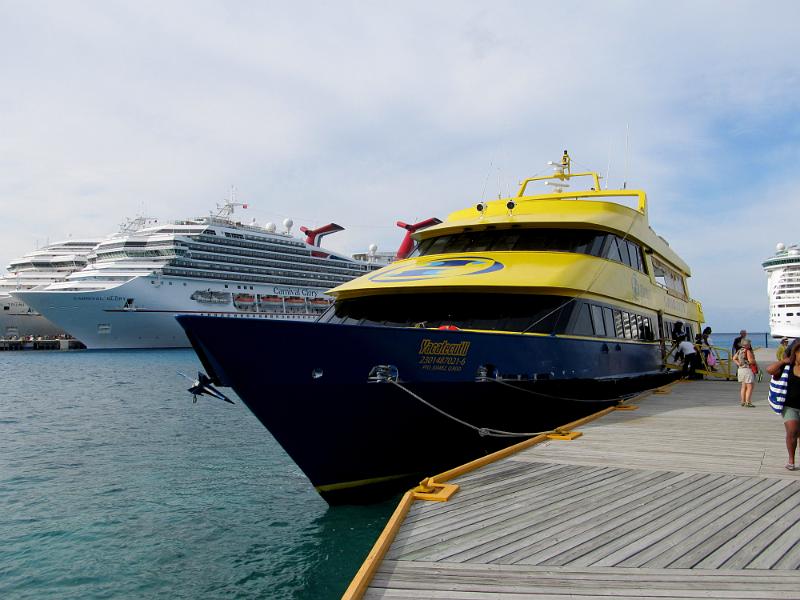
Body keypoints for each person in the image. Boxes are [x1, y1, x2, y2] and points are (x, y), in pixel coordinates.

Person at [767, 343, 800, 470]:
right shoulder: (787, 367)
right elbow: (770, 370)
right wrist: (782, 361)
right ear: (794, 354)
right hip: (789, 406)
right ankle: (791, 460)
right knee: (792, 431)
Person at [733, 338, 757, 407]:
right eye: (749, 344)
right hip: (747, 369)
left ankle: (742, 401)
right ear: (746, 344)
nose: (750, 345)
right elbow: (751, 361)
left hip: (741, 369)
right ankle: (748, 402)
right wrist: (754, 361)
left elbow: (734, 358)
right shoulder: (748, 351)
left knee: (743, 386)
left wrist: (739, 363)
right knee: (750, 386)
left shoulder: (739, 351)